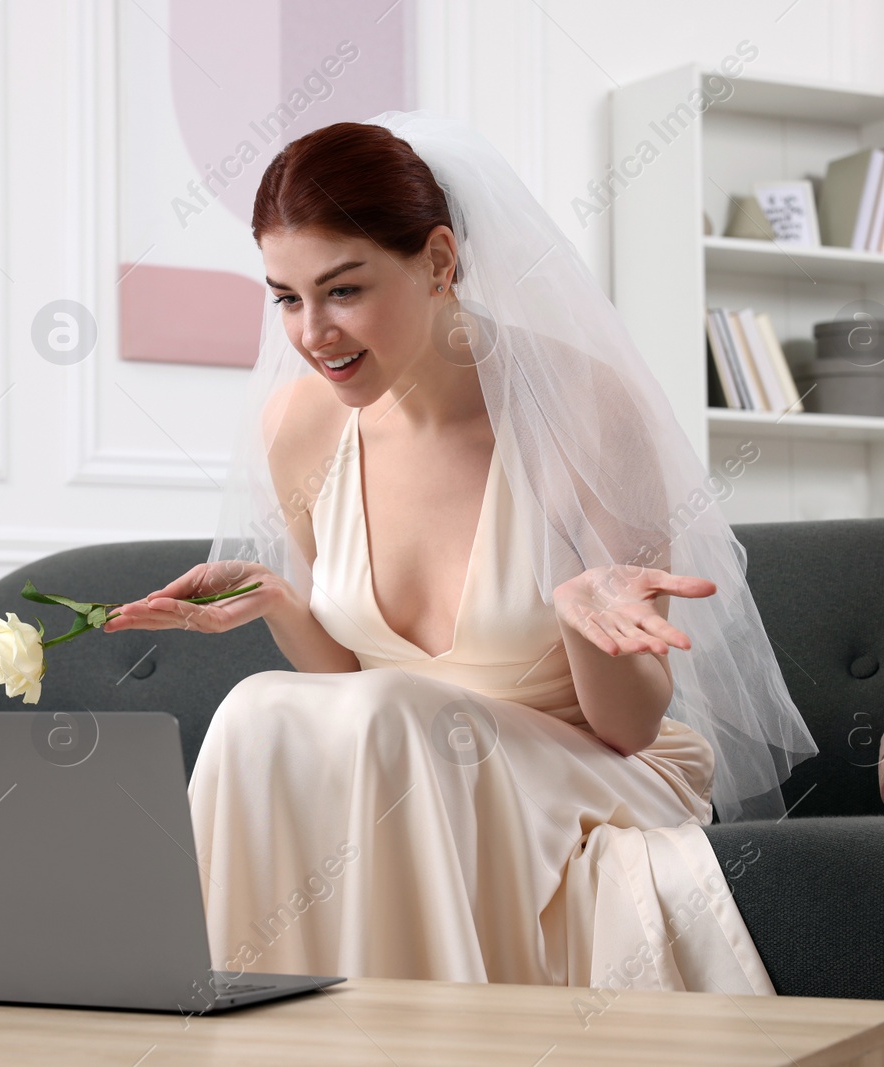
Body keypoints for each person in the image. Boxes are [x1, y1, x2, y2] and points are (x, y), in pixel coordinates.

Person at [104, 110, 818, 993]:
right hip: (409, 773)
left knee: (396, 720)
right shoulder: (298, 431)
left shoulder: (582, 412)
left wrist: (585, 623)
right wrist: (282, 602)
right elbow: (355, 698)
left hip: (582, 774)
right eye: (287, 298)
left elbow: (630, 728)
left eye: (344, 290)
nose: (312, 333)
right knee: (257, 706)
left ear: (439, 261)